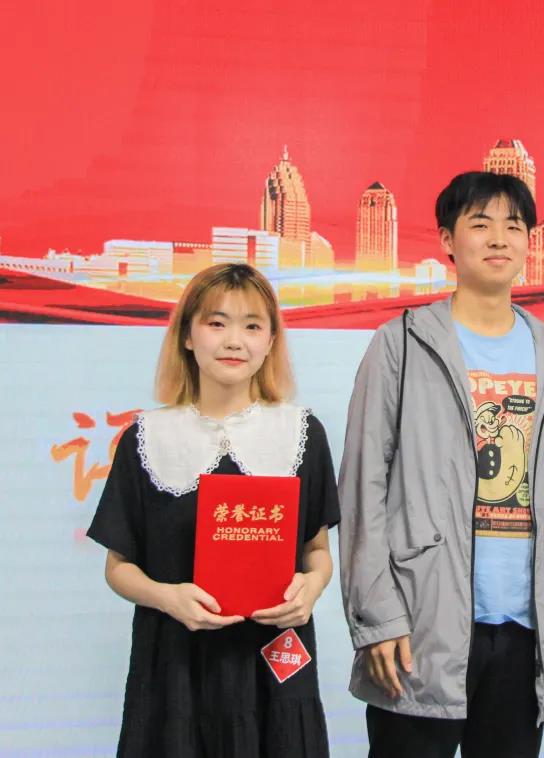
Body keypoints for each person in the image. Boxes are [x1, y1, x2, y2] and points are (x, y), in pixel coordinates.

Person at [339, 171, 544, 757]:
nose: (498, 238)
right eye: (480, 224)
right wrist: (377, 616)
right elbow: (363, 489)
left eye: (514, 226)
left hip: (525, 629)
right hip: (420, 622)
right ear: (447, 239)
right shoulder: (401, 343)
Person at [87, 263, 339, 757]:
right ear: (188, 336)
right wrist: (167, 597)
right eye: (216, 323)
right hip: (175, 667)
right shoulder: (146, 437)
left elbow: (317, 551)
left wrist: (310, 589)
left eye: (252, 326)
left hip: (273, 661)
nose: (234, 341)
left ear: (270, 341)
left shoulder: (301, 434)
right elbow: (118, 568)